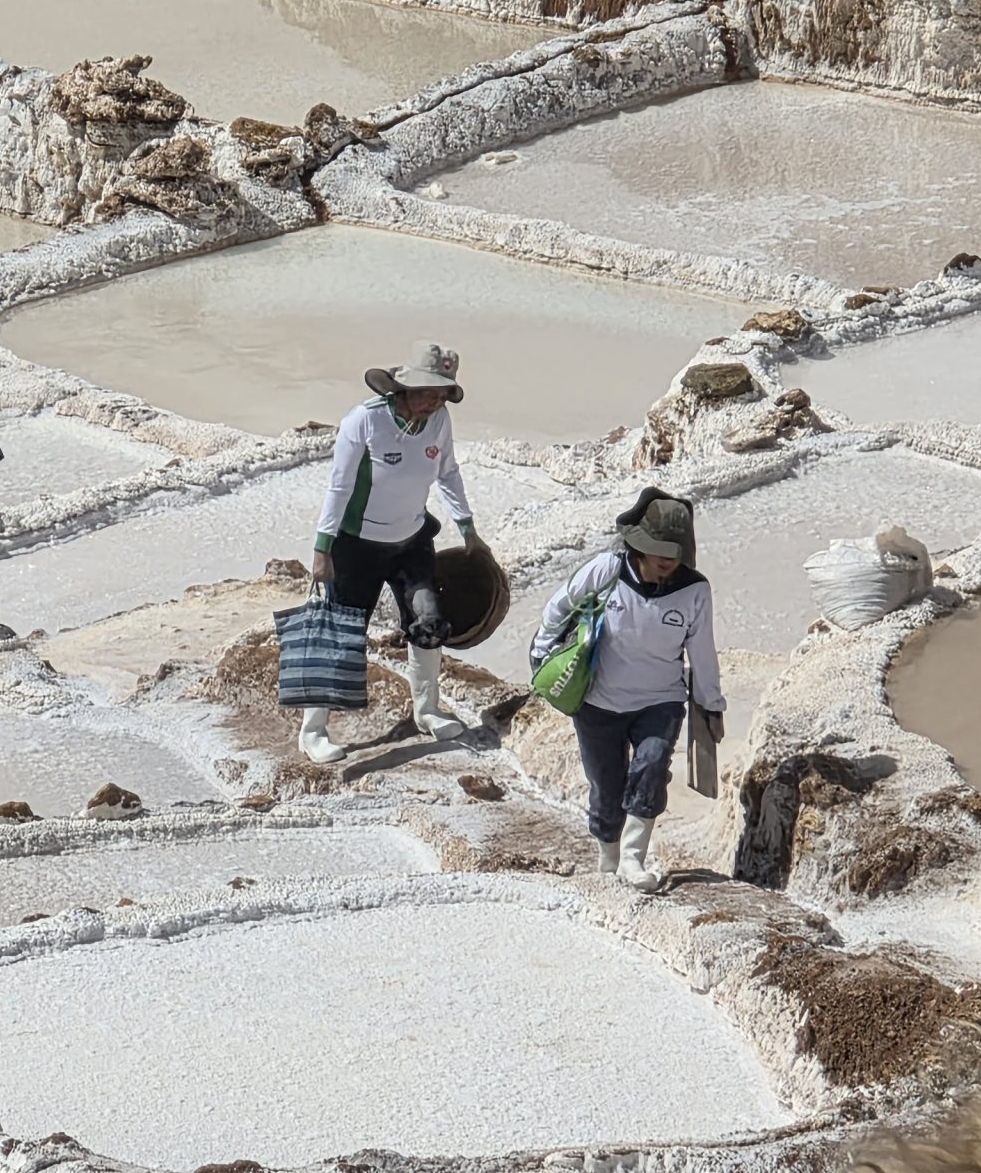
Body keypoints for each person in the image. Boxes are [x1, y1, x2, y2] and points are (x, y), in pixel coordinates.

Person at [300, 342, 488, 765]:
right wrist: (322, 548)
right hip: (357, 546)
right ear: (403, 386)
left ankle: (427, 710)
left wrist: (467, 526)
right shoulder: (363, 423)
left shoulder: (438, 421)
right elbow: (339, 486)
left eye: (442, 395)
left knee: (429, 620)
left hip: (412, 541)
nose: (434, 403)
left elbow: (448, 472)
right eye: (427, 393)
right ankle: (312, 731)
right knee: (343, 635)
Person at [529, 490, 725, 892]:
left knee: (651, 767)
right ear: (639, 545)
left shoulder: (695, 591)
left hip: (661, 700)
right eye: (658, 552)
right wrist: (542, 651)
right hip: (599, 700)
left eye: (674, 553)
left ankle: (634, 860)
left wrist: (711, 705)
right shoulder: (607, 570)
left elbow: (702, 653)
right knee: (606, 787)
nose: (666, 561)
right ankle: (609, 859)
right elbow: (559, 607)